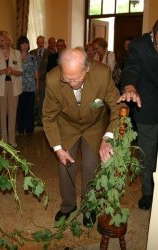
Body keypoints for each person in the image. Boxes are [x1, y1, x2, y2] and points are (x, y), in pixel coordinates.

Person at [42, 47, 123, 227]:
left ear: (87, 68)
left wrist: (107, 138)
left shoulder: (102, 74)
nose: (71, 84)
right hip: (67, 126)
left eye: (77, 79)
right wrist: (57, 148)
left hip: (94, 127)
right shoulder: (53, 79)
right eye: (67, 79)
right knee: (65, 168)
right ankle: (68, 206)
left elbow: (118, 107)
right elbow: (48, 117)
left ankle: (89, 207)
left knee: (90, 167)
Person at [117, 15, 158, 210]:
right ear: (152, 36)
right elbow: (131, 68)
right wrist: (130, 86)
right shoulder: (139, 46)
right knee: (147, 154)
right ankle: (148, 192)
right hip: (147, 109)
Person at [0, 30, 22, 147]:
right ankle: (3, 140)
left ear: (8, 40)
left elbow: (20, 72)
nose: (0, 42)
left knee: (12, 114)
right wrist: (3, 71)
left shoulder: (16, 53)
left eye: (2, 40)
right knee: (1, 114)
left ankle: (12, 140)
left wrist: (13, 71)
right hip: (0, 87)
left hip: (14, 87)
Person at [16, 35, 39, 136]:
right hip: (19, 86)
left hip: (31, 86)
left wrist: (37, 83)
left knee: (30, 109)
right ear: (19, 45)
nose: (25, 46)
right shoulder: (15, 56)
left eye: (26, 43)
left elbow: (36, 72)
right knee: (20, 108)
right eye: (22, 43)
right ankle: (21, 129)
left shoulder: (33, 57)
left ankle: (29, 130)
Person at [30, 35, 53, 126]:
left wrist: (40, 74)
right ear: (36, 42)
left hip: (44, 81)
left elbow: (50, 68)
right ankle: (31, 119)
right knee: (32, 101)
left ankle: (41, 120)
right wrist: (34, 75)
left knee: (42, 101)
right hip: (32, 81)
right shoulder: (31, 53)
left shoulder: (50, 53)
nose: (40, 44)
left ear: (44, 43)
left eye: (42, 43)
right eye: (38, 42)